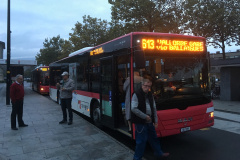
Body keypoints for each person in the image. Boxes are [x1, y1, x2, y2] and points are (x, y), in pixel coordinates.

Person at [131, 74, 169, 160]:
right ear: (142, 85)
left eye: (149, 86)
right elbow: (133, 108)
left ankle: (159, 153)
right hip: (141, 123)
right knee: (141, 142)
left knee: (154, 138)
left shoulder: (150, 94)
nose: (147, 88)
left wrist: (156, 121)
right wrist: (145, 117)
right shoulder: (136, 94)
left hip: (150, 122)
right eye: (146, 86)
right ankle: (137, 158)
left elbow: (154, 108)